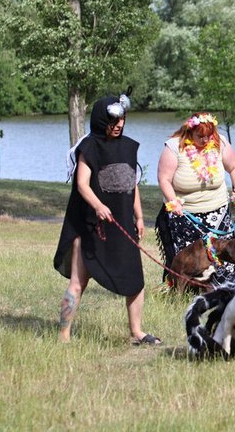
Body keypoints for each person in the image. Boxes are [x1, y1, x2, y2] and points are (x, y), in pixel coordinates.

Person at [52, 94, 160, 345]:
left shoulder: (129, 146)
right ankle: (63, 334)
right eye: (113, 120)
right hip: (92, 226)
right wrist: (99, 205)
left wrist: (140, 217)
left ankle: (136, 332)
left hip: (122, 225)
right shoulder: (89, 147)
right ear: (102, 120)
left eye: (122, 119)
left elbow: (132, 184)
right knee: (78, 283)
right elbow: (81, 184)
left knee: (135, 281)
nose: (119, 124)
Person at [155, 112, 235, 289]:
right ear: (190, 132)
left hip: (217, 213)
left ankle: (223, 288)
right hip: (185, 215)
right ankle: (184, 291)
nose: (205, 140)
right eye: (200, 136)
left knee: (222, 255)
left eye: (208, 136)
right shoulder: (174, 147)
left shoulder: (219, 142)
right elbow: (164, 179)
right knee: (188, 261)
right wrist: (173, 201)